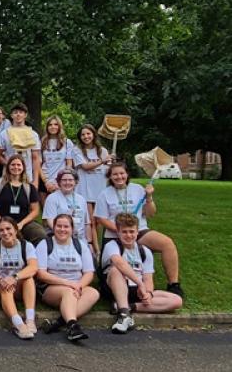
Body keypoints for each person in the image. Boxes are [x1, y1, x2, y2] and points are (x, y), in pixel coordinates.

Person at [95, 162, 184, 297]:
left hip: (138, 230)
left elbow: (150, 213)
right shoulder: (104, 194)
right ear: (110, 177)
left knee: (167, 243)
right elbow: (102, 219)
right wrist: (121, 231)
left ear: (127, 174)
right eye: (115, 174)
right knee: (111, 265)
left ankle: (174, 285)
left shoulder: (138, 189)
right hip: (114, 233)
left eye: (121, 173)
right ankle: (112, 286)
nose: (119, 177)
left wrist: (149, 197)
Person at [100, 213, 182, 334]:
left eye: (132, 232)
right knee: (116, 270)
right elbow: (120, 263)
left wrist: (148, 292)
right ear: (118, 232)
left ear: (137, 232)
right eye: (125, 232)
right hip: (116, 287)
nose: (128, 235)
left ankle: (130, 307)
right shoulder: (111, 246)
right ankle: (123, 314)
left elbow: (148, 278)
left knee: (176, 300)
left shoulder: (145, 251)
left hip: (137, 291)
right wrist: (140, 284)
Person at [36, 214, 99, 342]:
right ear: (53, 227)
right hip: (51, 287)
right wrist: (69, 284)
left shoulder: (80, 245)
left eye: (66, 226)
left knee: (94, 293)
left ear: (72, 229)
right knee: (68, 292)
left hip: (77, 285)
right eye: (59, 226)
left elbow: (89, 272)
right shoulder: (44, 244)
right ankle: (72, 326)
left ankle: (59, 322)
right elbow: (41, 274)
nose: (62, 229)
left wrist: (79, 286)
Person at [0, 217, 38, 340]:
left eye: (8, 228)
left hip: (18, 283)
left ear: (16, 229)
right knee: (5, 288)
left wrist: (15, 277)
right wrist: (1, 280)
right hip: (0, 285)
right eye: (1, 230)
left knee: (29, 279)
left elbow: (33, 267)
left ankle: (30, 319)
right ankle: (18, 324)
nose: (5, 232)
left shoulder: (26, 245)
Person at [0, 154, 47, 244]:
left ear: (23, 167)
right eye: (13, 165)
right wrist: (0, 220)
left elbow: (35, 211)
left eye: (19, 165)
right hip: (2, 222)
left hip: (23, 223)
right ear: (8, 167)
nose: (16, 167)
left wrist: (22, 223)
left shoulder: (29, 187)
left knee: (39, 233)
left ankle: (34, 256)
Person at [73, 123, 111, 245]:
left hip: (100, 190)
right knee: (91, 221)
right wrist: (102, 161)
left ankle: (93, 243)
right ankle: (96, 249)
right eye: (83, 134)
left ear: (94, 135)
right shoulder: (77, 150)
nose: (86, 136)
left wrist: (111, 162)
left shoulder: (103, 151)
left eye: (88, 133)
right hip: (85, 191)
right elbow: (85, 167)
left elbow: (108, 170)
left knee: (99, 221)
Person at [42, 169, 94, 255]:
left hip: (80, 239)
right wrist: (65, 234)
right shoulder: (52, 198)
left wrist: (89, 243)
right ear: (59, 182)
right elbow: (50, 221)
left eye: (70, 180)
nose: (67, 183)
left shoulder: (81, 199)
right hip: (61, 237)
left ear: (75, 182)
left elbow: (86, 224)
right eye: (64, 180)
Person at [0, 102, 42, 189]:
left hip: (28, 175)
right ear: (11, 115)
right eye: (15, 112)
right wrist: (8, 163)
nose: (18, 114)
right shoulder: (4, 134)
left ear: (25, 115)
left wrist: (36, 180)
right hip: (9, 175)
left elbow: (36, 158)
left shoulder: (33, 134)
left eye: (21, 112)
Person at [39, 115, 74, 205]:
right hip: (45, 180)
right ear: (47, 127)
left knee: (61, 211)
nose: (53, 127)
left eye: (55, 124)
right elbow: (38, 164)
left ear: (59, 126)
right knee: (46, 213)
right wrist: (46, 182)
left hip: (61, 181)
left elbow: (69, 164)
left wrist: (59, 181)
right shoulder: (41, 141)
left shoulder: (67, 142)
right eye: (50, 125)